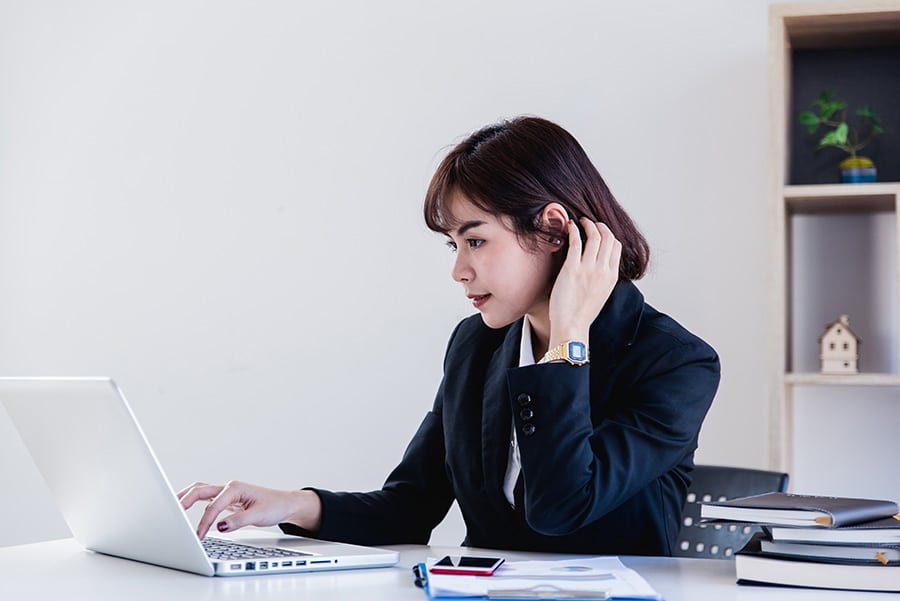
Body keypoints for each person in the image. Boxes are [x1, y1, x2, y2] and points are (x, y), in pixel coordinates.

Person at [179, 116, 720, 556]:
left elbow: (562, 508)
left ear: (553, 229)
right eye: (451, 245)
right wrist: (291, 504)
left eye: (476, 241)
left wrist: (568, 338)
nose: (459, 270)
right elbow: (411, 505)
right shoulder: (476, 345)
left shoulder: (675, 362)